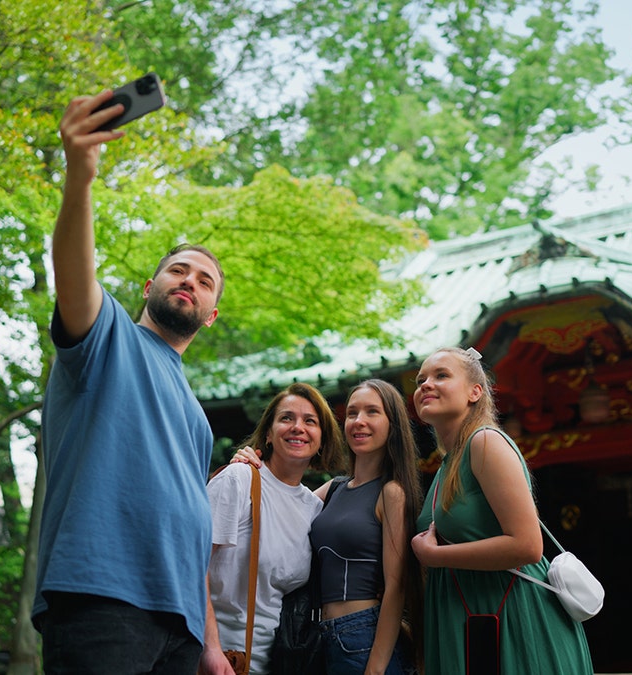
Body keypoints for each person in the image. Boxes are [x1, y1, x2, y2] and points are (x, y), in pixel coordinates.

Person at [34, 89, 225, 674]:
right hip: (100, 595)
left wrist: (210, 642)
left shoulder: (195, 412)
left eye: (205, 280)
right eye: (177, 270)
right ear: (150, 287)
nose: (189, 280)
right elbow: (74, 273)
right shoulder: (107, 335)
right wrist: (79, 179)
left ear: (211, 314)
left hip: (181, 625)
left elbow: (195, 523)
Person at [410, 347, 592, 674]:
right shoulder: (447, 464)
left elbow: (527, 545)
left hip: (514, 617)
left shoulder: (485, 442)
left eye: (441, 375)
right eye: (421, 379)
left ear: (474, 392)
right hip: (469, 618)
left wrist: (434, 556)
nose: (425, 384)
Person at [237, 379, 425, 674]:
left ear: (393, 425)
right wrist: (250, 461)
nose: (359, 422)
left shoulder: (392, 493)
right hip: (320, 637)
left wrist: (375, 668)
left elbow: (396, 586)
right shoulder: (335, 489)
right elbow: (281, 506)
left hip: (364, 636)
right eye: (352, 413)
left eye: (372, 412)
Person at [200, 382, 347, 675]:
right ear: (268, 433)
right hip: (223, 659)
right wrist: (211, 649)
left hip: (280, 661)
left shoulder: (313, 510)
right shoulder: (240, 480)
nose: (298, 427)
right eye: (286, 418)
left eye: (310, 421)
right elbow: (191, 564)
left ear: (322, 438)